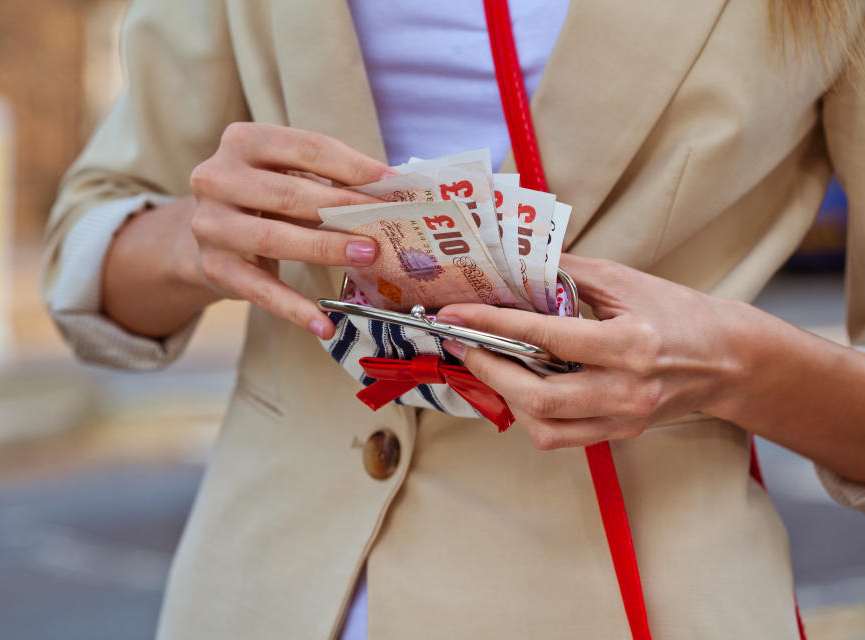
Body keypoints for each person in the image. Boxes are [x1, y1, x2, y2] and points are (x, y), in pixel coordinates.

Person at [43, 0, 865, 637]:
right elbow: (90, 240)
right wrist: (197, 239)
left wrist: (738, 367)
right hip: (257, 592)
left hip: (634, 598)